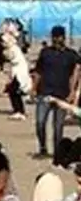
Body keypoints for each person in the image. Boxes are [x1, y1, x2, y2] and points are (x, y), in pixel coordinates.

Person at [32, 25, 80, 161]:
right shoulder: (45, 52)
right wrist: (33, 88)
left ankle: (57, 152)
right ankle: (42, 147)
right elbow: (38, 71)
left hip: (62, 94)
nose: (56, 40)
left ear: (63, 37)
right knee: (40, 122)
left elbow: (75, 75)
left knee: (58, 127)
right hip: (44, 92)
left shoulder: (71, 55)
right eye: (54, 37)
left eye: (58, 37)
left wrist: (72, 93)